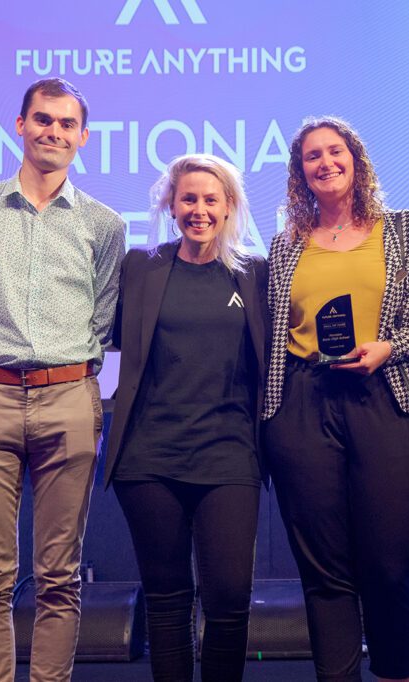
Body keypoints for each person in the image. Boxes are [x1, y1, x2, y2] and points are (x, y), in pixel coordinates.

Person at [0, 78, 125, 682]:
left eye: (67, 124)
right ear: (19, 125)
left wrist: (65, 372)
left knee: (59, 573)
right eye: (43, 120)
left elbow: (103, 316)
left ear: (83, 137)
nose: (54, 132)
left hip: (70, 397)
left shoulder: (104, 224)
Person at [262, 116, 409, 682]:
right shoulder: (285, 244)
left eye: (334, 151)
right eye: (311, 157)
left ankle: (395, 673)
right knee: (323, 568)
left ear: (356, 158)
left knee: (390, 564)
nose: (325, 162)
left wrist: (391, 347)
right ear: (301, 174)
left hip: (383, 398)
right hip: (303, 401)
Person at [103, 154, 268, 682]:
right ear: (171, 205)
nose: (199, 210)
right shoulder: (140, 267)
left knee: (229, 600)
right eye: (188, 199)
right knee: (168, 603)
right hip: (149, 458)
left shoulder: (256, 276)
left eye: (210, 200)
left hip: (230, 456)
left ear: (230, 206)